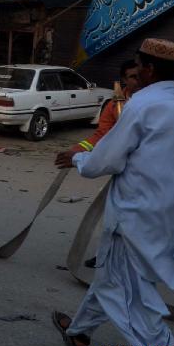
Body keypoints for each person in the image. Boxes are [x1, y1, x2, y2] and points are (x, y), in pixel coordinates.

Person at [52, 39, 174, 346]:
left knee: (123, 289)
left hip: (134, 216)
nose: (133, 74)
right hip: (171, 215)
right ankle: (79, 333)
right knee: (113, 276)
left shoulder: (142, 105)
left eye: (138, 66)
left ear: (150, 69)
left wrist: (77, 158)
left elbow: (103, 161)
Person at [55, 59, 140, 269]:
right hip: (125, 170)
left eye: (141, 76)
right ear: (124, 80)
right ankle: (106, 254)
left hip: (154, 171)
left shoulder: (154, 105)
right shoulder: (114, 106)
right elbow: (101, 135)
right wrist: (78, 150)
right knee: (113, 216)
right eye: (133, 77)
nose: (139, 81)